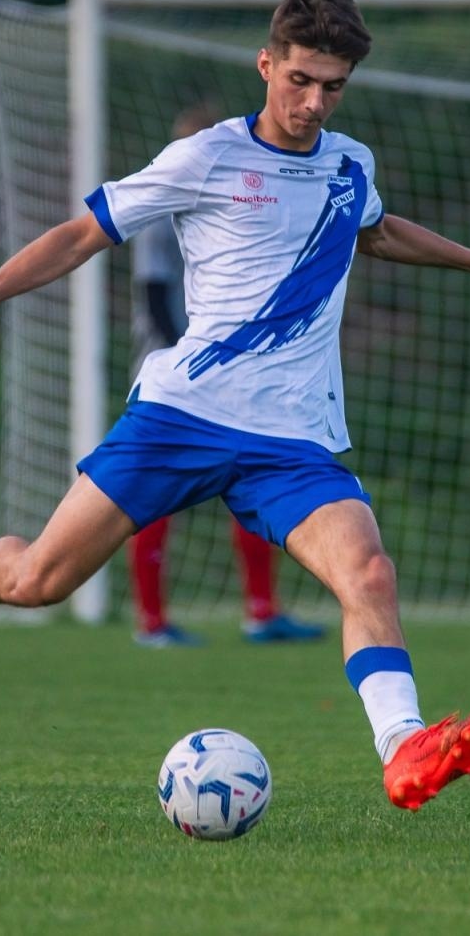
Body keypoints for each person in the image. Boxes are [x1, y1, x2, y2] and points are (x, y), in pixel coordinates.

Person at [0, 0, 470, 810]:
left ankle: (404, 747)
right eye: (299, 80)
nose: (313, 102)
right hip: (182, 416)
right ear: (266, 63)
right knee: (42, 580)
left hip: (291, 438)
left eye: (332, 87)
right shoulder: (207, 156)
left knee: (368, 571)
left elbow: (376, 230)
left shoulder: (351, 165)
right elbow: (82, 233)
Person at [128, 103, 326, 648]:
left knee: (253, 482)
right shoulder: (166, 206)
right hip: (177, 376)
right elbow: (153, 297)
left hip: (237, 378)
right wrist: (195, 364)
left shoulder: (248, 203)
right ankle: (151, 622)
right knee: (152, 497)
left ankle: (262, 612)